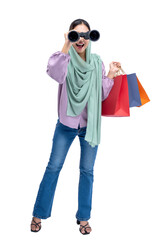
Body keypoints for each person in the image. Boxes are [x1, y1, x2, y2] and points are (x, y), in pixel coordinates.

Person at [30, 18, 121, 235]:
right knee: (53, 167)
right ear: (71, 36)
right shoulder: (66, 61)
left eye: (86, 35)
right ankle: (38, 214)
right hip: (66, 124)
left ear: (91, 38)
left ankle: (83, 218)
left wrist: (110, 73)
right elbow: (54, 72)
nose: (82, 39)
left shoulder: (96, 62)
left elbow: (100, 94)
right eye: (76, 34)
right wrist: (66, 44)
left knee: (87, 172)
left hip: (90, 126)